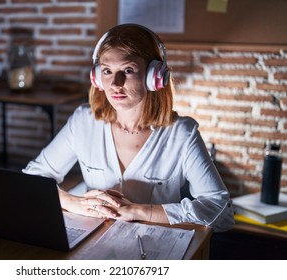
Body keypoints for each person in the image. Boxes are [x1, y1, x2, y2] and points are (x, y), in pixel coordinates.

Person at [23, 23, 234, 232]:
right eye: (107, 71)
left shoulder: (182, 133)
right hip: (92, 242)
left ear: (154, 76)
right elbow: (33, 177)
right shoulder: (83, 121)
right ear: (96, 78)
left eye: (128, 70)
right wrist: (72, 202)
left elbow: (219, 209)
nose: (115, 83)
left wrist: (136, 211)